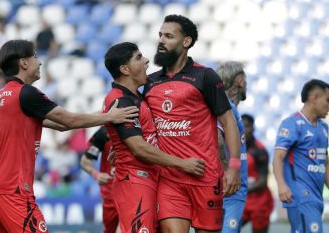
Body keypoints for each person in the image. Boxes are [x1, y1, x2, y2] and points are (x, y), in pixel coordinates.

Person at [0, 39, 139, 233]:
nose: (39, 62)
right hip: (12, 189)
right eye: (35, 57)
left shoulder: (4, 95)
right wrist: (109, 116)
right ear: (23, 63)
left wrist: (103, 116)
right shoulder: (26, 94)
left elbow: (61, 126)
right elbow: (68, 121)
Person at [143, 15, 241, 233]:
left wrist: (233, 167)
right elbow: (141, 125)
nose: (161, 40)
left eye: (169, 36)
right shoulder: (150, 82)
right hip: (169, 179)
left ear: (186, 42)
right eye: (160, 35)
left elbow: (228, 121)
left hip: (205, 177)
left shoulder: (204, 76)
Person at [103, 42, 205, 233]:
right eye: (139, 57)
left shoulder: (134, 97)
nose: (147, 61)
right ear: (125, 69)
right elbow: (139, 148)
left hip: (150, 179)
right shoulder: (121, 100)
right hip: (134, 181)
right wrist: (182, 163)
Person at [273, 79, 329, 233]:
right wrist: (282, 185)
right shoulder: (291, 123)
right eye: (328, 100)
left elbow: (325, 163)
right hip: (299, 196)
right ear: (314, 98)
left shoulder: (324, 128)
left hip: (316, 197)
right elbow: (278, 157)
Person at [216, 61, 248, 233]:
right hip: (230, 187)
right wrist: (230, 170)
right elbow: (217, 138)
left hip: (228, 186)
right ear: (240, 81)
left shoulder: (229, 106)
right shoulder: (227, 106)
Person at [80, 126, 118, 233]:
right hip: (110, 193)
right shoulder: (104, 133)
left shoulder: (139, 129)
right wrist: (96, 174)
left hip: (133, 190)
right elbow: (84, 161)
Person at [241, 114, 274, 233]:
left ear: (253, 128)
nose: (244, 130)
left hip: (259, 201)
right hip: (241, 201)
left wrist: (240, 187)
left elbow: (262, 182)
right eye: (242, 126)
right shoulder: (233, 148)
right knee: (228, 228)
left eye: (247, 126)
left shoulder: (260, 150)